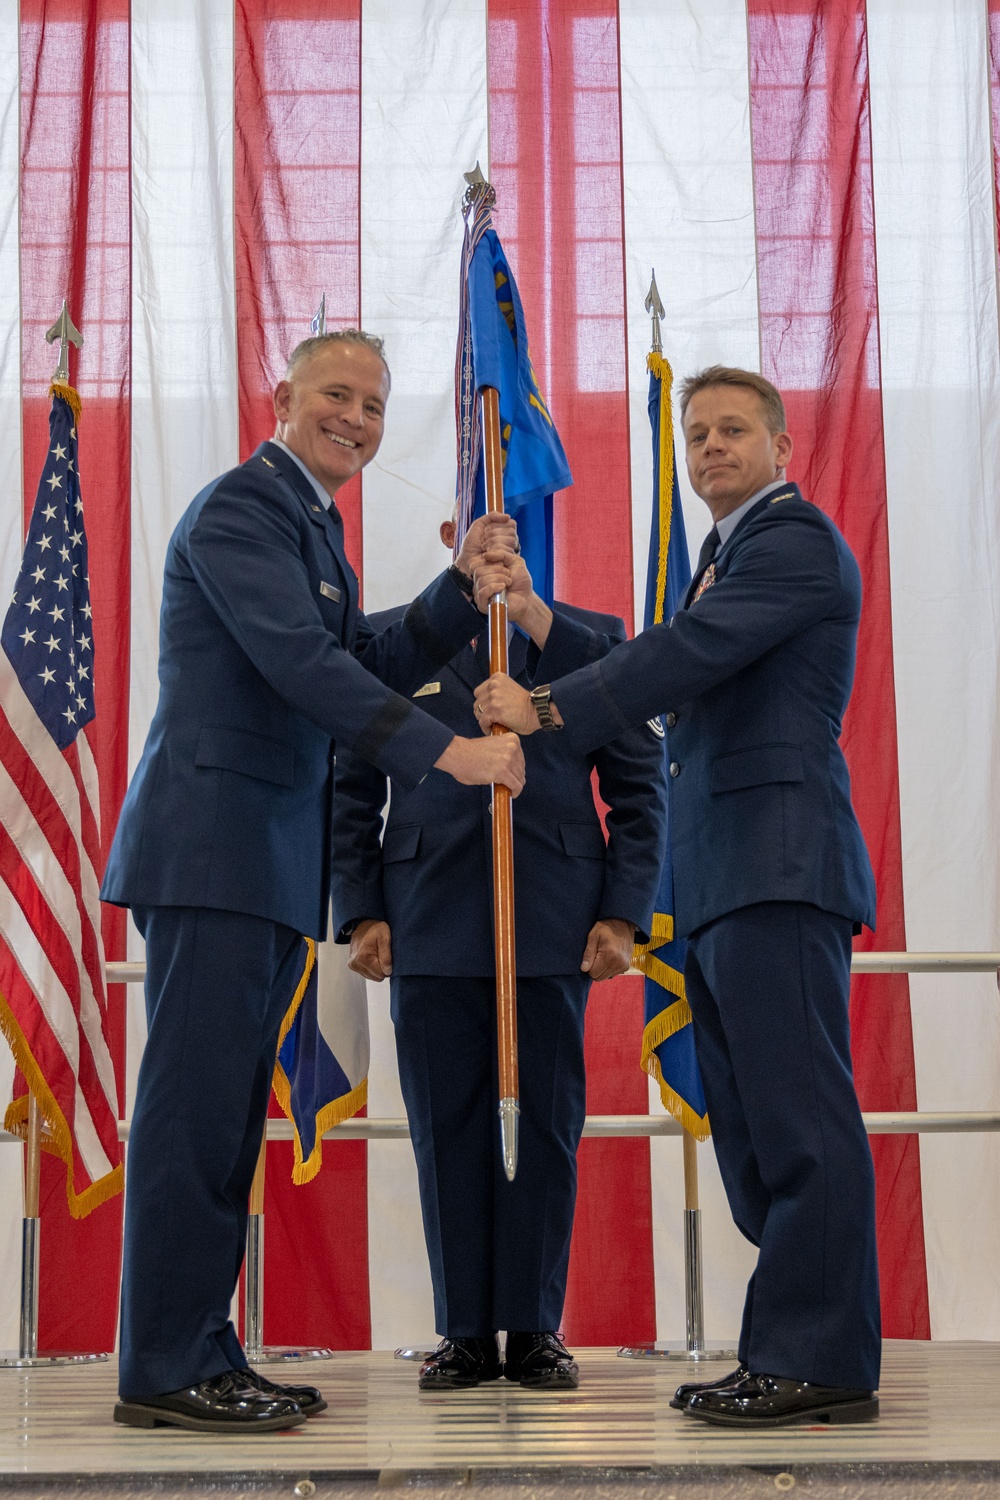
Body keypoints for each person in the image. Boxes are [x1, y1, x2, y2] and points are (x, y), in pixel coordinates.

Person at [101, 330, 525, 1433]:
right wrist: (450, 753)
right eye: (337, 394)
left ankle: (202, 1349)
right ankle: (163, 1365)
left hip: (261, 864)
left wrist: (452, 589)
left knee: (228, 1121)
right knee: (197, 1119)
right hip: (215, 851)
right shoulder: (245, 507)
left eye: (375, 405)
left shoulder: (309, 526)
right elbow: (303, 664)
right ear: (282, 396)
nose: (358, 418)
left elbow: (360, 657)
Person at [474, 367, 881, 1429]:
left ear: (782, 448)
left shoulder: (789, 542)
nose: (707, 446)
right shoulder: (723, 558)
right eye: (696, 432)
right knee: (750, 1133)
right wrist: (533, 616)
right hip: (723, 878)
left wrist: (545, 703)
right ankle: (786, 1346)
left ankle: (820, 1359)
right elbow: (656, 655)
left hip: (779, 868)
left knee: (797, 1124)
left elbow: (683, 654)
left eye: (732, 430)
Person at [330, 515, 667, 1392]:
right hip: (428, 918)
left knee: (546, 1128)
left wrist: (624, 916)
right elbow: (352, 780)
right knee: (449, 1129)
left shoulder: (591, 645)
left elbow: (640, 791)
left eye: (508, 543)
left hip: (555, 922)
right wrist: (361, 907)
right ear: (453, 543)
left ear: (527, 553)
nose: (494, 558)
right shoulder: (400, 642)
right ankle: (467, 1333)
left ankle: (535, 1326)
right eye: (480, 542)